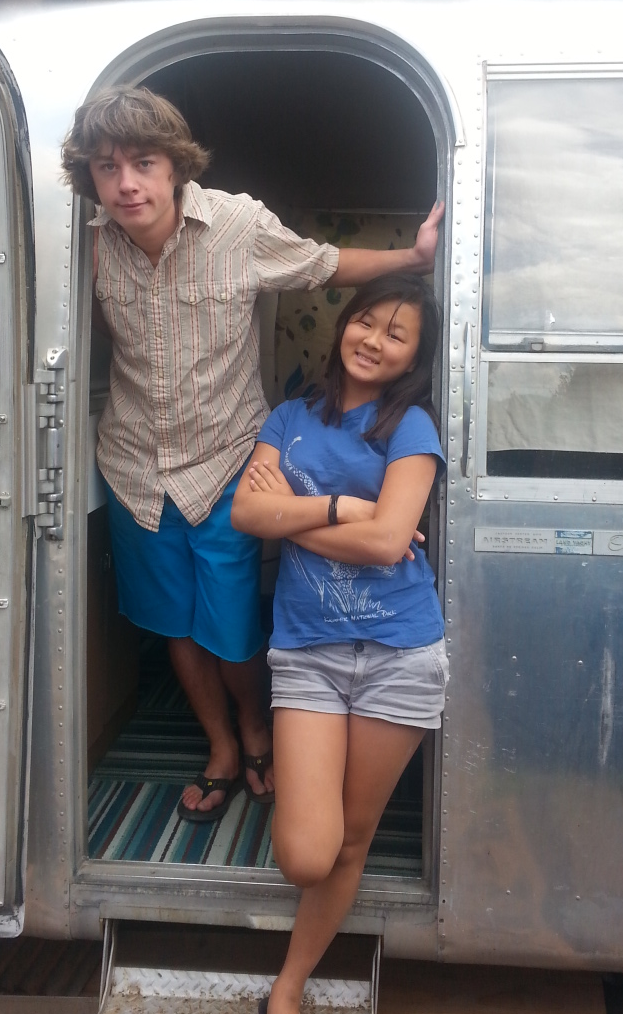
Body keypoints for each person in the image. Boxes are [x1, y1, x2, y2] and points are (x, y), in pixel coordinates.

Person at [61, 86, 443, 822]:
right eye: (107, 168)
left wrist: (415, 258)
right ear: (92, 178)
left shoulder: (235, 225)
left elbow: (322, 264)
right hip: (134, 465)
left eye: (144, 163)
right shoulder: (88, 244)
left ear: (176, 165)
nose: (127, 184)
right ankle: (222, 748)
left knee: (232, 625)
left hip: (228, 459)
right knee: (172, 623)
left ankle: (257, 729)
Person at [231, 272, 447, 1014]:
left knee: (352, 842)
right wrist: (341, 508)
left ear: (414, 357)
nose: (375, 341)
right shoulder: (289, 416)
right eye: (367, 321)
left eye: (397, 335)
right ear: (344, 323)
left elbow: (389, 543)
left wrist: (291, 515)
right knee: (305, 854)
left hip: (400, 652)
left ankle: (284, 995)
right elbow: (245, 511)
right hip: (310, 652)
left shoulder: (411, 426)